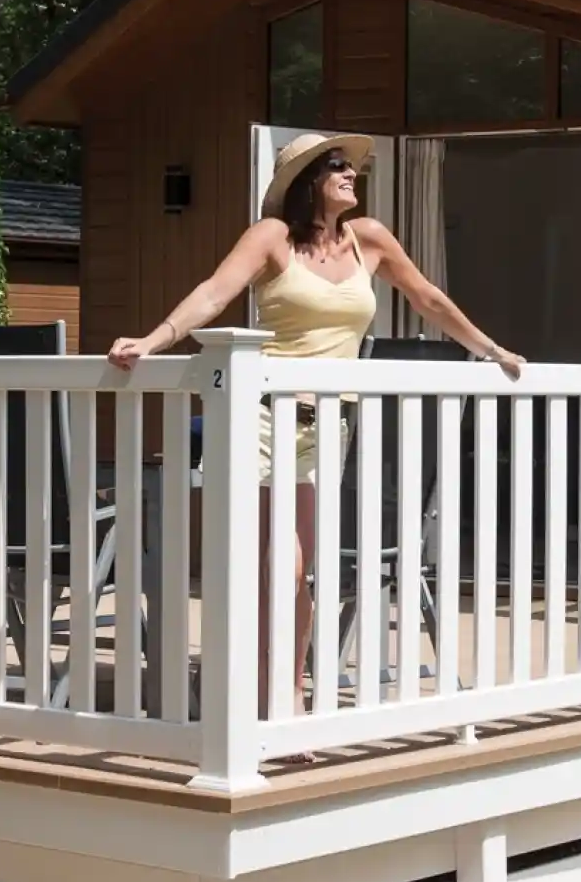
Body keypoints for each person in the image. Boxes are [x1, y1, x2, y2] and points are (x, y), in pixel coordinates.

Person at [108, 132, 524, 717]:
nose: (351, 174)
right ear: (308, 181)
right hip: (257, 418)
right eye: (337, 166)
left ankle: (288, 695)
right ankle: (255, 696)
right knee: (269, 565)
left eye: (352, 167)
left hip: (324, 426)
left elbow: (429, 300)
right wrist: (153, 341)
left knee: (297, 570)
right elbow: (213, 294)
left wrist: (492, 351)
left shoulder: (370, 239)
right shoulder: (272, 237)